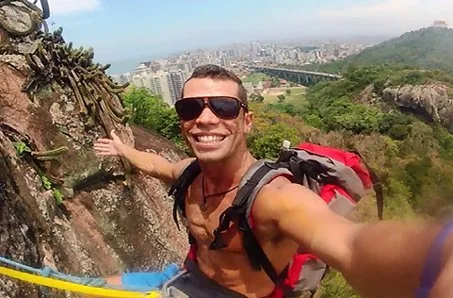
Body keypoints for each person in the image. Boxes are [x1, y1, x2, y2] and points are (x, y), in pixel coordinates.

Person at [93, 64, 453, 298]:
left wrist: (435, 254)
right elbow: (157, 164)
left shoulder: (275, 198)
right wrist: (124, 150)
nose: (205, 118)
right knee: (87, 289)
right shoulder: (190, 172)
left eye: (223, 107)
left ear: (246, 121)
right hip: (184, 279)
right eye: (191, 108)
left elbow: (351, 245)